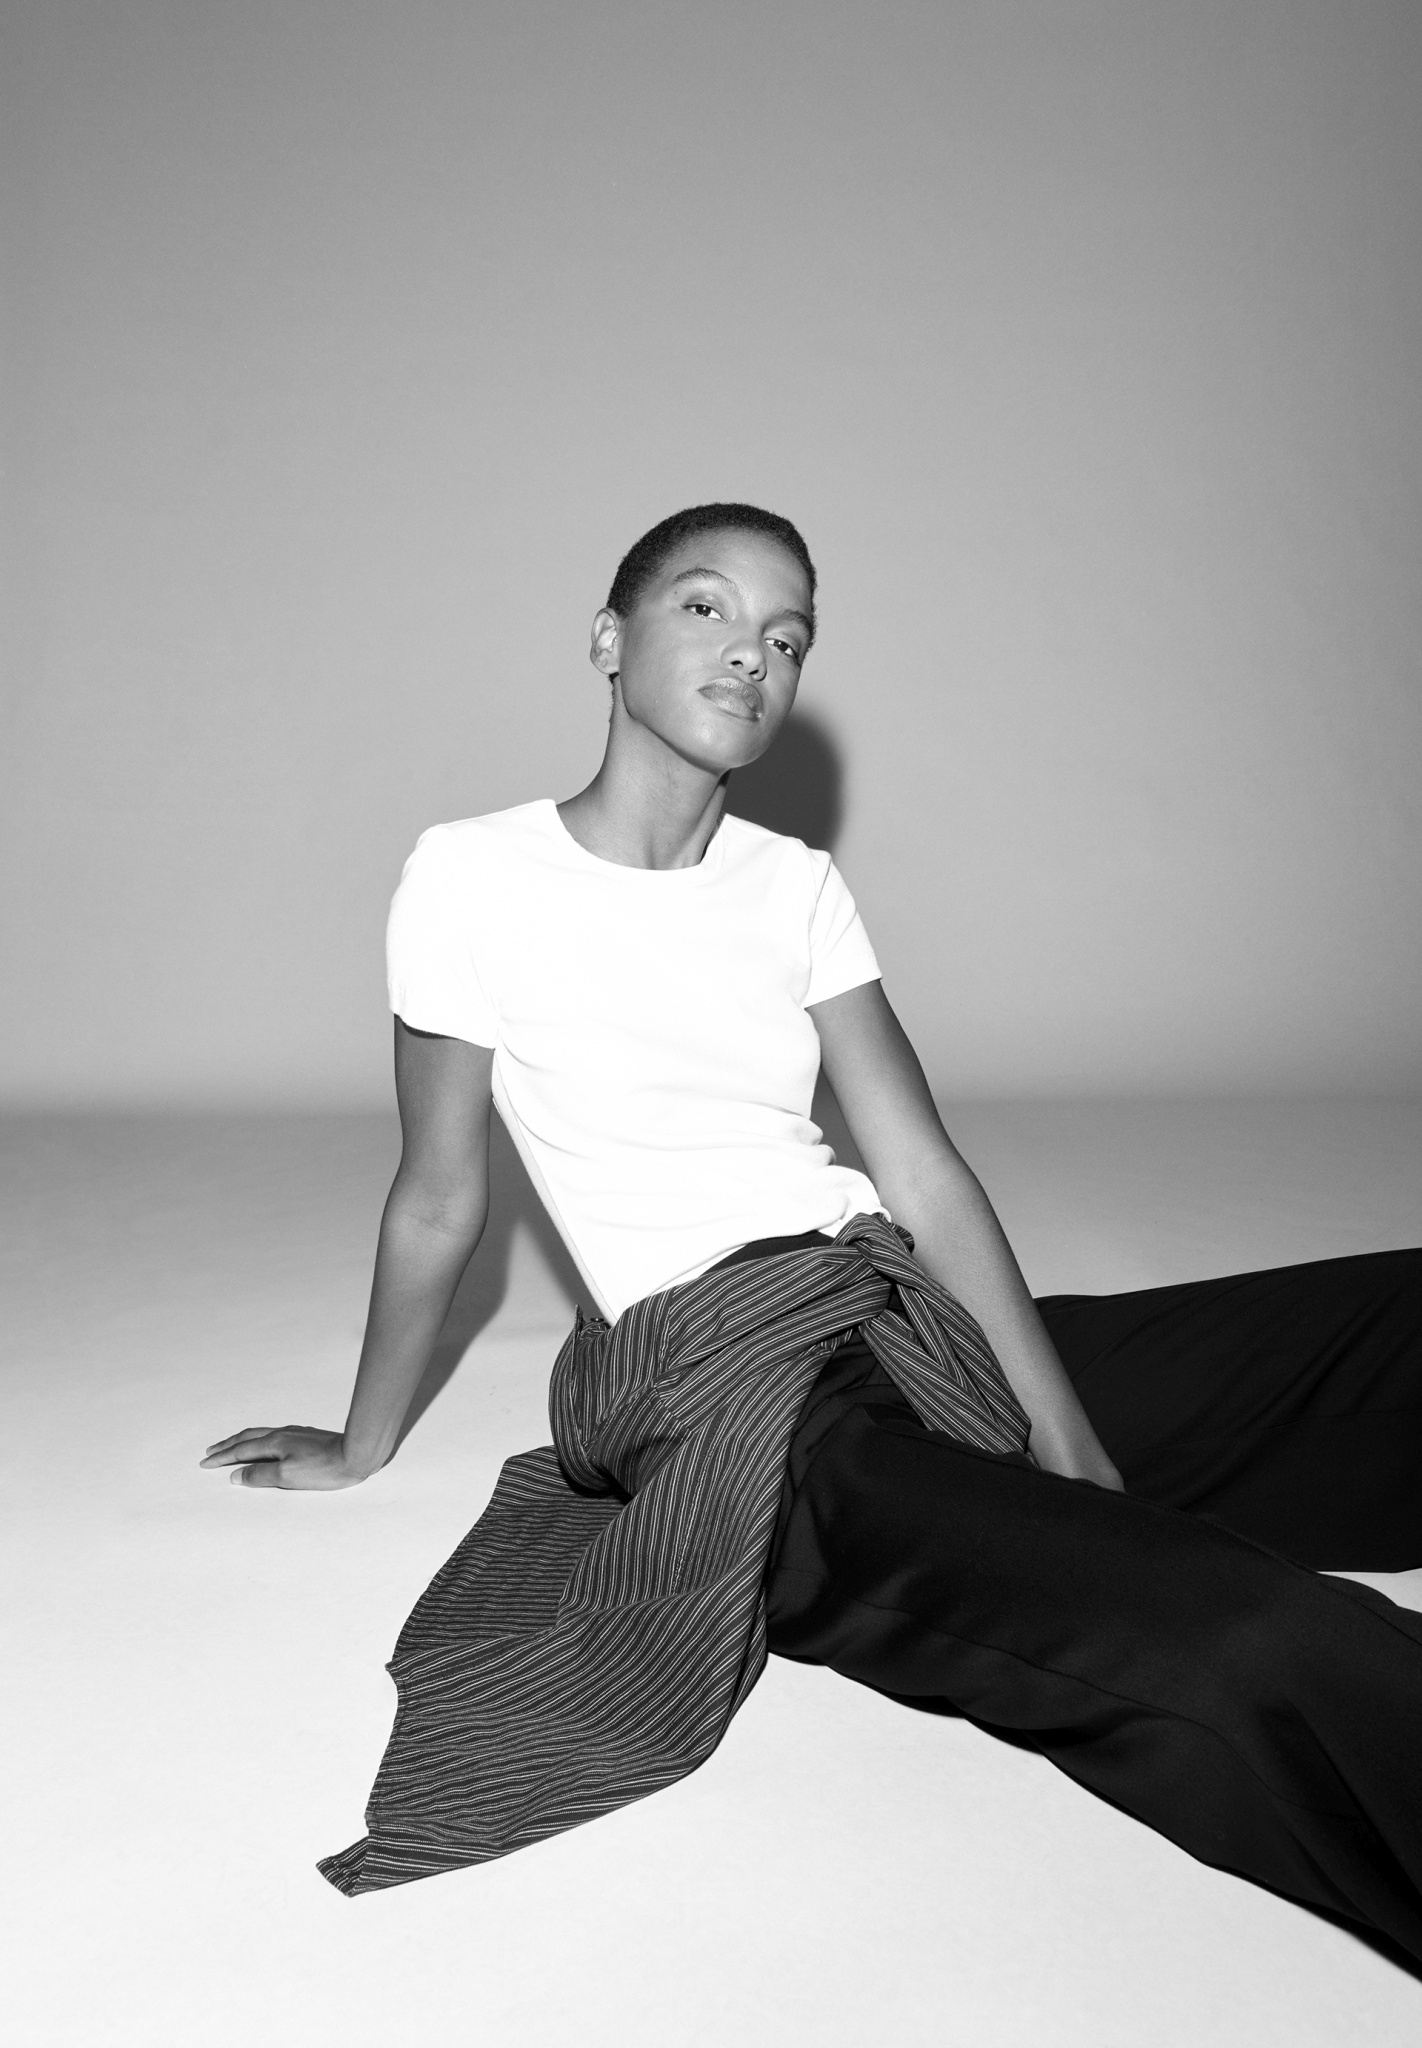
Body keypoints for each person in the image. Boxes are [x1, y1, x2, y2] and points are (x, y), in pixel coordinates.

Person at [202, 504, 1422, 1950]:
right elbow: (438, 1197)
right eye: (706, 609)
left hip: (892, 1327)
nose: (752, 655)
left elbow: (923, 1174)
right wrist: (363, 1443)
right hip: (742, 1414)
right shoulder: (472, 874)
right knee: (1260, 1636)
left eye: (787, 638)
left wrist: (1069, 1439)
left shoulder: (793, 884)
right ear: (607, 640)